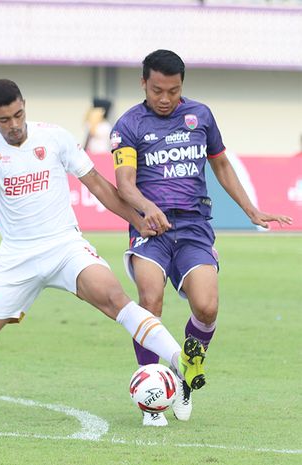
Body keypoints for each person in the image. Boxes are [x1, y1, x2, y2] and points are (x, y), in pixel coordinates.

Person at [0, 79, 207, 419]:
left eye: (19, 115)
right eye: (5, 120)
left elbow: (102, 189)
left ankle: (182, 362)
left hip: (65, 246)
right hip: (18, 258)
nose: (14, 125)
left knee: (116, 300)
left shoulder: (55, 137)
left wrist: (139, 218)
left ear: (24, 105)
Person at [112, 49, 293, 426]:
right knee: (150, 299)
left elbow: (221, 164)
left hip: (194, 227)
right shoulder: (128, 125)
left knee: (207, 308)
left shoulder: (201, 116)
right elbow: (124, 184)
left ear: (182, 86)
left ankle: (183, 379)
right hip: (151, 230)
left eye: (173, 91)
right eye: (158, 90)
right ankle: (151, 395)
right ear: (143, 83)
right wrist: (147, 208)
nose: (165, 99)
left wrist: (251, 210)